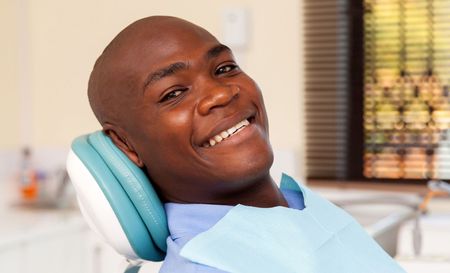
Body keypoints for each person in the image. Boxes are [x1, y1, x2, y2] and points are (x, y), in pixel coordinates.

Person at [87, 16, 405, 273]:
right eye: (173, 94)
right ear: (126, 144)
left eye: (224, 69)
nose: (221, 94)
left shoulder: (303, 207)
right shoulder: (208, 265)